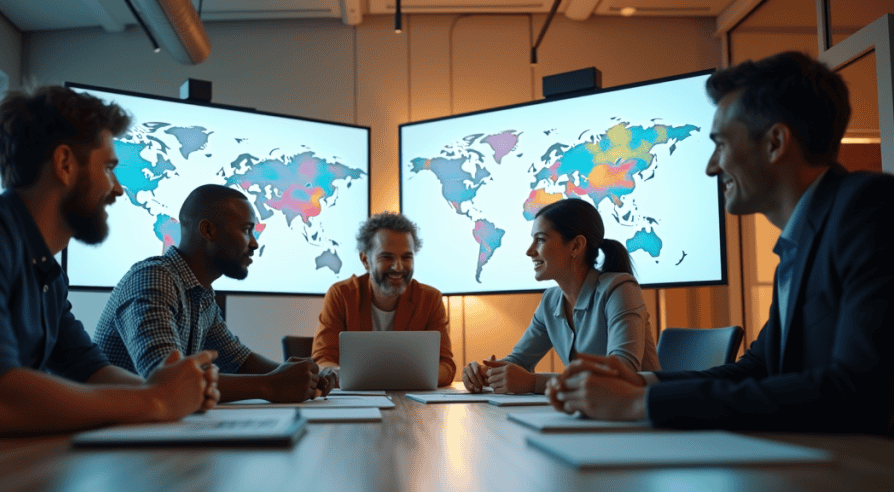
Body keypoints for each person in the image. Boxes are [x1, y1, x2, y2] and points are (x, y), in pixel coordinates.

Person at [0, 86, 219, 465]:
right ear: (65, 163)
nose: (117, 188)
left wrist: (173, 392)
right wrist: (155, 400)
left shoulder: (46, 272)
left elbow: (89, 370)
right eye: (108, 167)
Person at [550, 51, 894, 435]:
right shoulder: (802, 240)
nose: (712, 166)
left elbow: (858, 390)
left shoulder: (869, 209)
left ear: (775, 142)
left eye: (721, 144)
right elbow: (759, 369)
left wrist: (639, 405)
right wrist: (643, 383)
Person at [95, 184, 331, 402]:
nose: (254, 244)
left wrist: (298, 376)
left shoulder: (202, 293)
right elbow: (168, 379)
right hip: (113, 438)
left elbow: (240, 361)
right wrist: (270, 385)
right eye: (246, 230)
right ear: (208, 230)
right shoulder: (154, 279)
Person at [462, 198, 660, 394]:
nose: (529, 251)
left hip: (642, 415)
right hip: (591, 413)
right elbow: (519, 361)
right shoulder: (551, 300)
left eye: (540, 239)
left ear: (576, 246)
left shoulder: (620, 288)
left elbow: (623, 373)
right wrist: (483, 373)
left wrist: (533, 383)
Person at [312, 212, 456, 387]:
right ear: (365, 260)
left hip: (411, 403)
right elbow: (321, 360)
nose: (398, 267)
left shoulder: (430, 299)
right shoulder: (341, 295)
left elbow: (446, 366)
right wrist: (340, 375)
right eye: (387, 257)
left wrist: (390, 378)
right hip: (356, 403)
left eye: (406, 257)